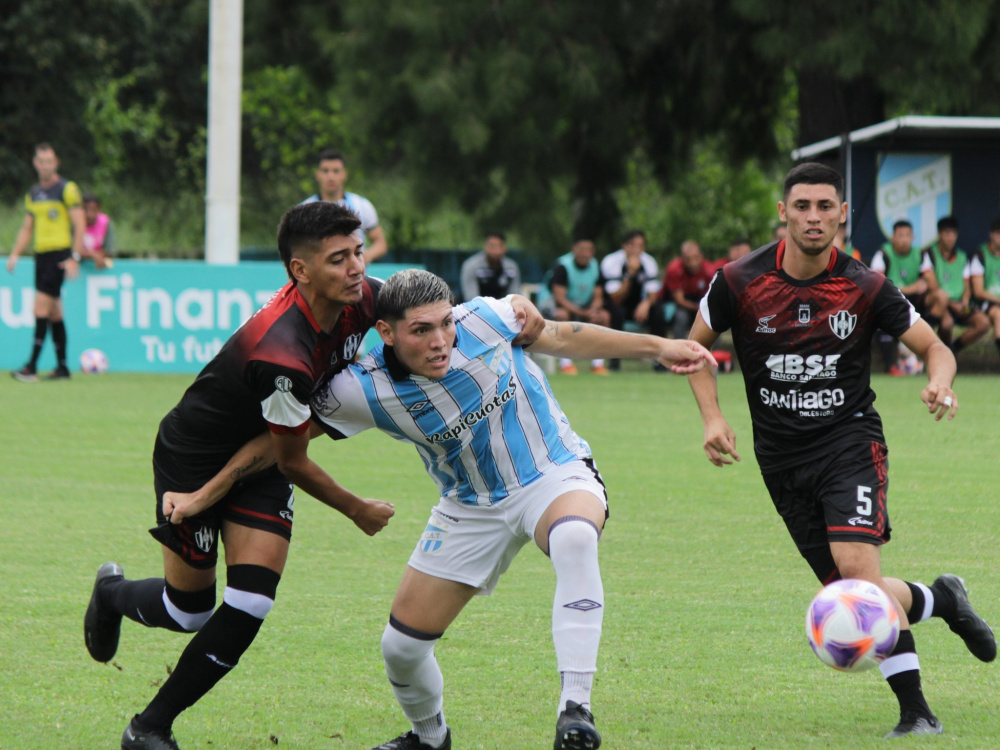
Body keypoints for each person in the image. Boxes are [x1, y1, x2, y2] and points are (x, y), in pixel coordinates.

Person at [169, 268, 716, 750]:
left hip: (554, 472)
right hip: (468, 507)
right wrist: (203, 495)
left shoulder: (489, 319)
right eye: (421, 330)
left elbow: (560, 335)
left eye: (445, 323)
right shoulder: (357, 390)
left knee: (574, 538)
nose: (440, 341)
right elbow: (281, 444)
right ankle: (429, 738)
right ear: (387, 333)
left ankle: (576, 710)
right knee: (401, 649)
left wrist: (658, 346)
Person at [685, 163, 996, 740]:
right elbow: (693, 351)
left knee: (859, 577)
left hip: (849, 443)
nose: (813, 217)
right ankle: (942, 599)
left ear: (843, 214)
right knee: (848, 592)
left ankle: (917, 712)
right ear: (783, 211)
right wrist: (713, 417)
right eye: (802, 206)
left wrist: (940, 381)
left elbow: (935, 347)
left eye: (825, 206)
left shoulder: (866, 285)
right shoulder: (738, 280)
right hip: (780, 459)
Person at [82, 201, 400, 750]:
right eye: (338, 258)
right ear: (300, 270)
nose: (356, 268)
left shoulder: (365, 297)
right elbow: (293, 460)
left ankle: (148, 727)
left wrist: (509, 319)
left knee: (252, 599)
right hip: (195, 457)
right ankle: (111, 594)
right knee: (187, 611)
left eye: (358, 252)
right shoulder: (280, 353)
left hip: (266, 455)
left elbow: (432, 310)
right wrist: (357, 509)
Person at [6, 142, 85, 381]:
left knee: (39, 309)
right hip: (41, 256)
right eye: (41, 161)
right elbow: (27, 228)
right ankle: (63, 368)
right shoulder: (33, 194)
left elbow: (79, 223)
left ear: (56, 163)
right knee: (54, 313)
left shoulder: (67, 189)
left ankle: (31, 367)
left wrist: (74, 256)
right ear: (35, 163)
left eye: (49, 161)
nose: (45, 165)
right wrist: (15, 253)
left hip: (59, 255)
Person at [869, 219, 949, 374]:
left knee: (941, 297)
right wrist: (912, 287)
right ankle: (890, 365)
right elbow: (876, 286)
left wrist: (925, 282)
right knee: (876, 306)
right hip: (891, 301)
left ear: (913, 237)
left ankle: (917, 341)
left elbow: (933, 284)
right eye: (900, 235)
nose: (904, 240)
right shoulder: (883, 254)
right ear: (893, 237)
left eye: (907, 235)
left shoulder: (920, 254)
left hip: (915, 303)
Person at [302, 148, 388, 262]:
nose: (330, 176)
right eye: (325, 171)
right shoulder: (304, 210)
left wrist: (366, 256)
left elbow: (380, 243)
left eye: (336, 171)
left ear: (344, 174)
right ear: (318, 174)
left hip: (356, 273)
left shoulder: (362, 205)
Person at [548, 235, 612, 374]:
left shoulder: (595, 266)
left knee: (603, 316)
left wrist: (593, 310)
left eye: (589, 250)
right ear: (574, 249)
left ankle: (597, 365)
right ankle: (566, 364)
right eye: (582, 249)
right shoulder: (563, 266)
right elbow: (559, 299)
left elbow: (598, 295)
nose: (586, 254)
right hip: (556, 306)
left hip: (584, 307)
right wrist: (581, 312)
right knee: (562, 315)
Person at [927, 216, 990, 353]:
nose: (951, 238)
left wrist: (965, 302)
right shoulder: (929, 254)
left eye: (954, 234)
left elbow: (967, 287)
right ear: (940, 234)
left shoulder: (962, 256)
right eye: (947, 234)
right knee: (947, 324)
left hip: (960, 305)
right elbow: (933, 287)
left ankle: (953, 349)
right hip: (942, 304)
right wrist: (952, 304)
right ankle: (941, 352)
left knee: (984, 323)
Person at [600, 230, 661, 369]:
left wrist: (646, 303)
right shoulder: (611, 262)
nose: (637, 250)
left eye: (641, 246)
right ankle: (614, 361)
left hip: (638, 305)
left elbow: (653, 293)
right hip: (616, 304)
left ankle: (659, 361)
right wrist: (630, 274)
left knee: (658, 311)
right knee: (617, 312)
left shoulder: (649, 262)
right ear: (625, 246)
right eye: (633, 245)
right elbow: (616, 298)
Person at [659, 240, 715, 341]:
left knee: (713, 318)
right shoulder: (674, 269)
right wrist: (700, 309)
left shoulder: (710, 270)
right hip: (677, 305)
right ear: (682, 258)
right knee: (681, 317)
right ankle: (680, 349)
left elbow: (713, 297)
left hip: (701, 302)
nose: (693, 263)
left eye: (696, 258)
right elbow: (680, 300)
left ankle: (712, 350)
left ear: (701, 256)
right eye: (688, 259)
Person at [969, 216, 1000, 364]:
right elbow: (978, 292)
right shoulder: (980, 255)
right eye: (999, 233)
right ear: (991, 235)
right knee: (998, 314)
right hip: (983, 303)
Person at [459, 230, 522, 302]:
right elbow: (471, 298)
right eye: (492, 246)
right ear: (485, 246)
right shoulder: (471, 266)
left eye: (500, 246)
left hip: (504, 307)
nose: (496, 251)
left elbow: (515, 297)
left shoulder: (511, 268)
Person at [81, 192, 116, 269]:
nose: (89, 214)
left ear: (99, 209)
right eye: (85, 210)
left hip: (100, 267)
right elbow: (71, 252)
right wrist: (93, 255)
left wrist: (97, 255)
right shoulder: (76, 224)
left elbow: (110, 251)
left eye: (93, 210)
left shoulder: (106, 223)